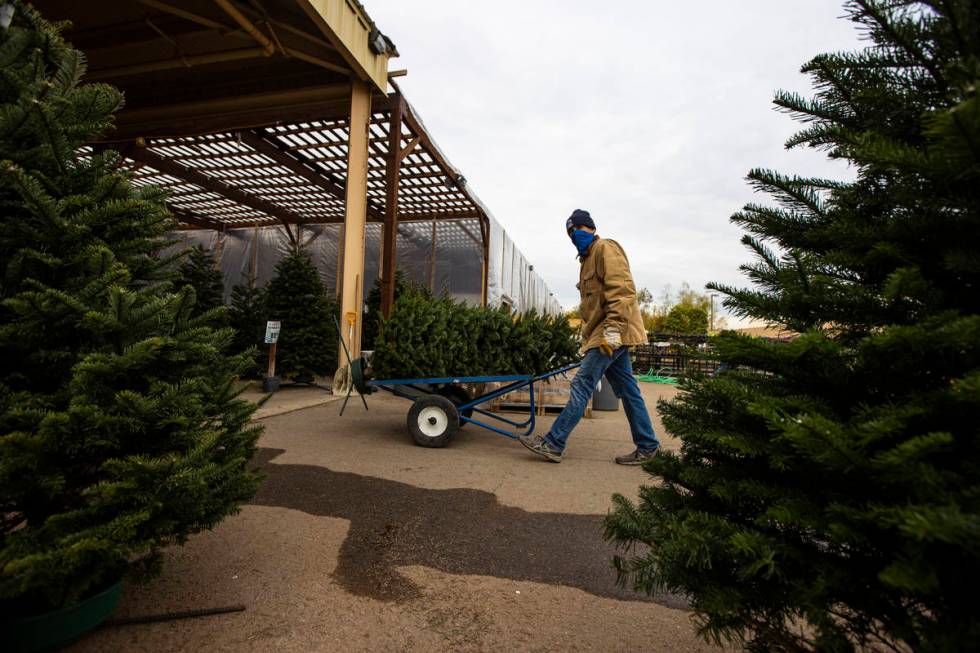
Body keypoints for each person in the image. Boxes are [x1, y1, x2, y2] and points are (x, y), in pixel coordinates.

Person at [519, 209, 660, 464]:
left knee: (582, 384)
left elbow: (623, 291)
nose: (575, 235)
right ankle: (648, 445)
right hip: (602, 332)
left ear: (591, 228)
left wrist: (613, 331)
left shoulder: (606, 248)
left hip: (611, 332)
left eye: (579, 229)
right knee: (628, 391)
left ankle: (553, 443)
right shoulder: (585, 261)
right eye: (571, 233)